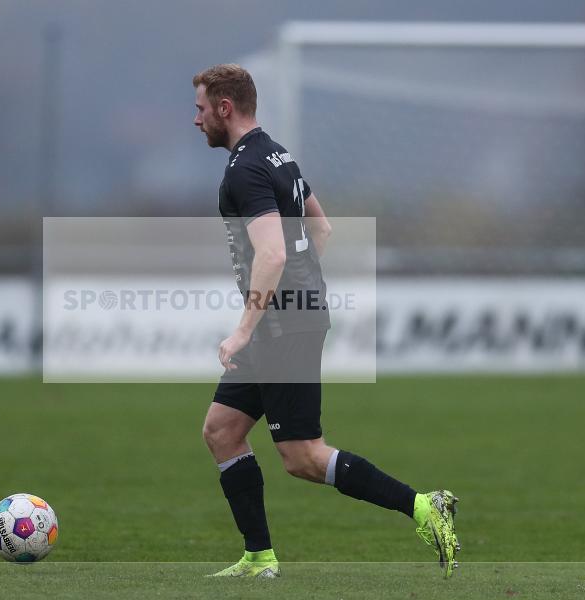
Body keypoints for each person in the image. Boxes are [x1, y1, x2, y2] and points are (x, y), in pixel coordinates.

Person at [192, 63, 460, 579]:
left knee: (302, 456)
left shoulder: (245, 169)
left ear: (225, 108)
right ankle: (259, 559)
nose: (196, 119)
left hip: (283, 326)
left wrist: (247, 326)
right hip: (287, 318)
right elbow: (322, 227)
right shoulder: (278, 154)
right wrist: (301, 286)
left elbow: (272, 253)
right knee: (222, 430)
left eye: (201, 109)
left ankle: (425, 506)